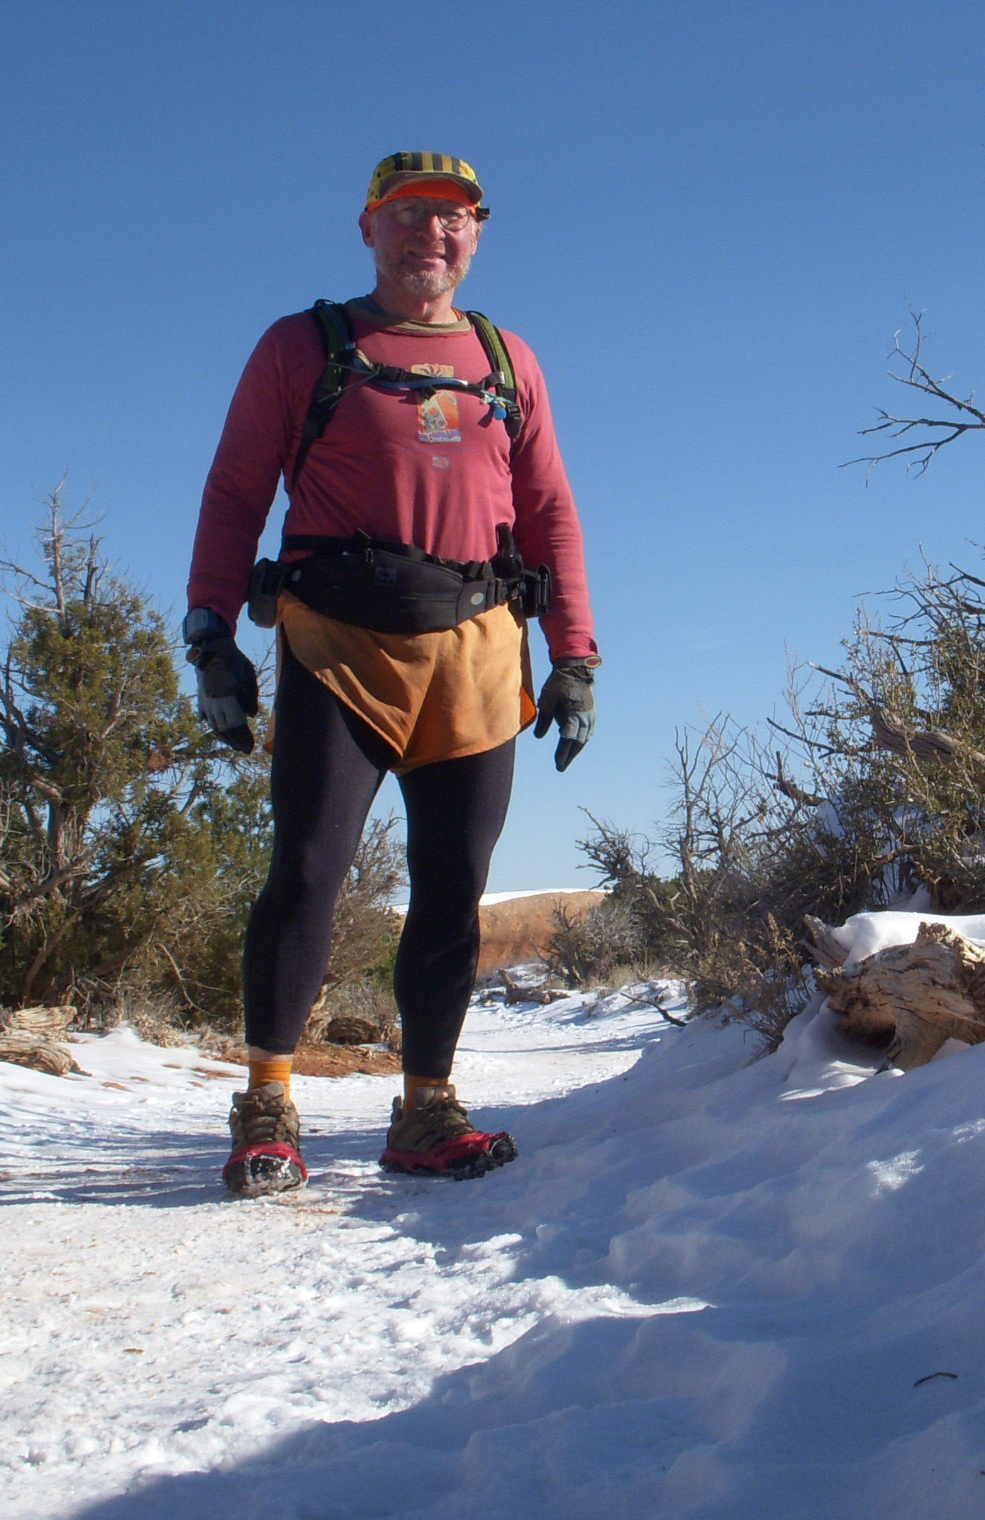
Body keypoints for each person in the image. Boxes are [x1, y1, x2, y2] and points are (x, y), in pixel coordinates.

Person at [183, 152, 600, 1196]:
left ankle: (425, 1107)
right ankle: (266, 1105)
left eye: (453, 217)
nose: (432, 233)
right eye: (409, 213)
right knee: (307, 872)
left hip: (477, 650)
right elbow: (236, 489)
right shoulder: (304, 346)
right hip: (339, 644)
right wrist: (210, 634)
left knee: (453, 889)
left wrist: (575, 657)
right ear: (368, 227)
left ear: (477, 233)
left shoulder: (507, 360)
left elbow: (549, 511)